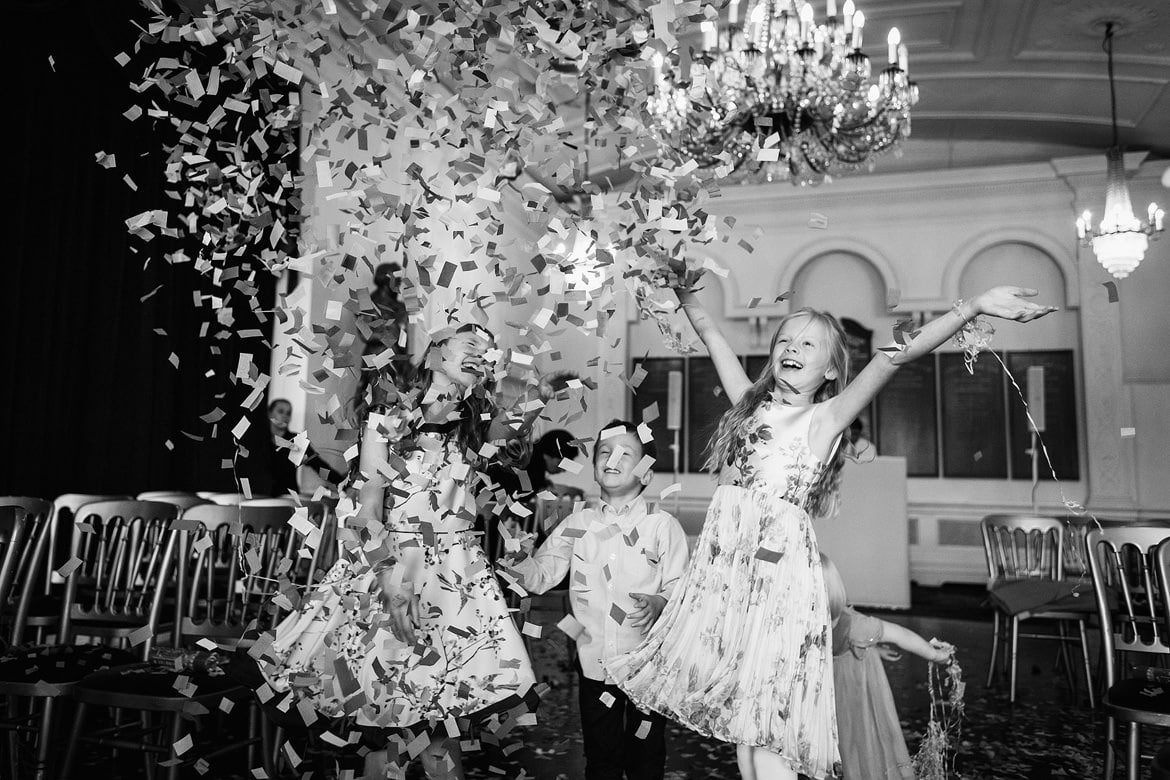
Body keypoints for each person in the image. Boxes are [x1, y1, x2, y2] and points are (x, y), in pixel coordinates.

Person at [606, 282, 1056, 780]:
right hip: (729, 582)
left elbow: (894, 357)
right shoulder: (747, 406)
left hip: (776, 582)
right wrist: (680, 287)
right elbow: (711, 333)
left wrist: (972, 307)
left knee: (771, 726)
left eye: (807, 344)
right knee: (744, 726)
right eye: (784, 341)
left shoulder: (824, 418)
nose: (791, 349)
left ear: (832, 369)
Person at [258, 324, 570, 779]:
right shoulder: (387, 417)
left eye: (487, 352)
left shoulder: (476, 423)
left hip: (457, 581)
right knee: (387, 723)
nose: (480, 355)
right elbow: (367, 509)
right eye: (471, 346)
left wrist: (536, 392)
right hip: (395, 567)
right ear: (436, 352)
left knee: (441, 723)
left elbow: (520, 448)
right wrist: (391, 582)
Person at [502, 420, 689, 780]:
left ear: (645, 473)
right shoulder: (578, 523)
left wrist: (661, 603)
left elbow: (681, 586)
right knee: (600, 759)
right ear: (594, 469)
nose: (612, 458)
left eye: (625, 453)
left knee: (647, 759)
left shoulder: (663, 526)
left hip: (646, 666)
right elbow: (541, 575)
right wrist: (518, 558)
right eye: (604, 452)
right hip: (594, 665)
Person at [821, 554, 952, 780]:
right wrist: (934, 654)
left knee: (848, 737)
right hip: (858, 692)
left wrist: (870, 647)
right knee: (868, 733)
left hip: (836, 693)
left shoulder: (810, 623)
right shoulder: (855, 624)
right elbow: (899, 634)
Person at [265, 398, 346, 495]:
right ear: (270, 413)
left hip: (287, 497)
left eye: (288, 413)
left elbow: (318, 465)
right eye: (280, 411)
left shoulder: (296, 441)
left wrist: (343, 484)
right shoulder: (259, 440)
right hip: (259, 496)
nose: (285, 416)